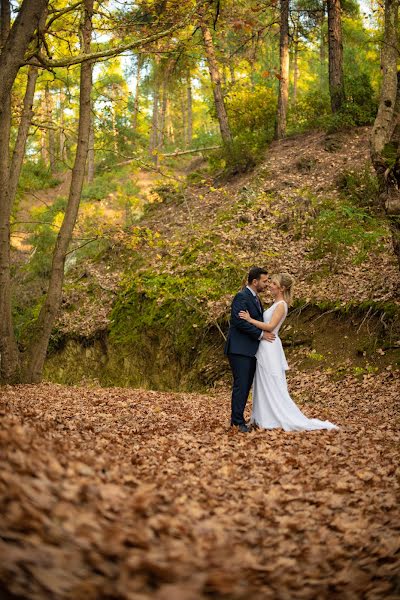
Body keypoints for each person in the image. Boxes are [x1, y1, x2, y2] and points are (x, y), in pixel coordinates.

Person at [239, 273, 338, 431]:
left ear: (282, 288)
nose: (270, 285)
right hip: (264, 345)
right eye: (270, 282)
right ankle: (263, 416)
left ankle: (276, 417)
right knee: (263, 382)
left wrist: (250, 320)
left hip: (270, 346)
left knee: (273, 381)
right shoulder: (275, 303)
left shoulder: (282, 305)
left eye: (274, 284)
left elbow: (271, 327)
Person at [224, 267, 276, 433]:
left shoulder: (255, 299)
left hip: (249, 350)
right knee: (241, 385)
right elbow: (238, 322)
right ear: (255, 282)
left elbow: (252, 320)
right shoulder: (241, 296)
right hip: (239, 349)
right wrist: (261, 334)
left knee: (245, 385)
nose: (267, 284)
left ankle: (238, 418)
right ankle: (237, 422)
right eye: (265, 281)